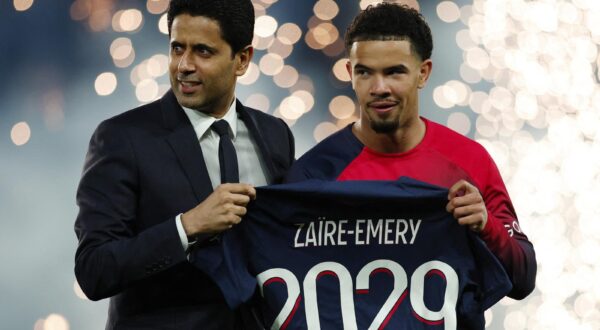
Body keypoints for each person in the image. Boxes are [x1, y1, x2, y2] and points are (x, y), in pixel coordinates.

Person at [285, 2, 536, 300]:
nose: (379, 87)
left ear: (423, 73)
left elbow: (523, 279)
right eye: (365, 73)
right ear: (350, 73)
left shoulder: (469, 160)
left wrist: (487, 226)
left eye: (394, 73)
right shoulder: (314, 174)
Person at [74, 0, 294, 328]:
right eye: (177, 48)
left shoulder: (275, 135)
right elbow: (95, 270)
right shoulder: (122, 138)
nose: (184, 65)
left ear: (243, 60)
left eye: (203, 52)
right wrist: (187, 227)